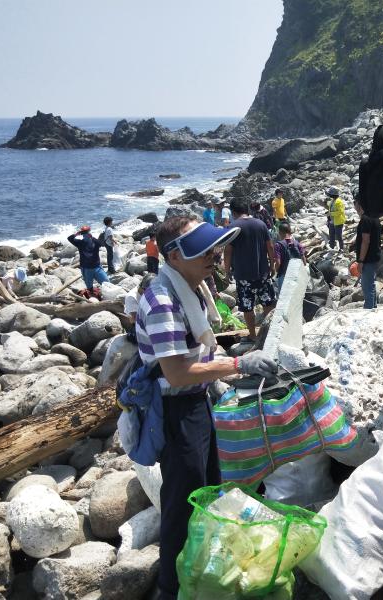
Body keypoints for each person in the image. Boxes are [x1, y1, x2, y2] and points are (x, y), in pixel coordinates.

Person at [136, 215, 277, 599]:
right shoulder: (164, 299)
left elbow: (195, 358)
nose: (215, 255)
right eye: (204, 249)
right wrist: (237, 364)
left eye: (215, 247)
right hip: (175, 411)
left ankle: (201, 569)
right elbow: (178, 372)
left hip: (196, 403)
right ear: (175, 256)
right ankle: (171, 587)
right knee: (182, 501)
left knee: (209, 488)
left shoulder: (192, 288)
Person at [223, 199, 278, 341]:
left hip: (243, 275)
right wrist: (272, 264)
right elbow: (270, 246)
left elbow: (228, 251)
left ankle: (253, 335)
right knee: (268, 303)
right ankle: (270, 333)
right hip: (262, 272)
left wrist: (227, 270)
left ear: (233, 212)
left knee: (247, 307)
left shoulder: (232, 227)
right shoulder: (260, 224)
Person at [352, 198, 382, 309]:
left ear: (359, 204)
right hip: (375, 255)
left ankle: (369, 310)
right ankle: (374, 307)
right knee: (371, 283)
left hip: (368, 258)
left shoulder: (365, 219)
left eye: (354, 203)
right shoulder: (375, 217)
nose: (354, 206)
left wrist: (360, 261)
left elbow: (366, 240)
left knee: (366, 285)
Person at [68, 225, 108, 294]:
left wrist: (77, 233)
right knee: (107, 283)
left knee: (89, 287)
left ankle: (92, 295)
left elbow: (69, 238)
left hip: (86, 267)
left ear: (81, 233)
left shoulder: (80, 242)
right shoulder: (93, 240)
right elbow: (102, 244)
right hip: (96, 266)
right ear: (89, 231)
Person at [122, 272, 155, 343]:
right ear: (143, 288)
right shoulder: (132, 297)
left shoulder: (148, 293)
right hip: (137, 324)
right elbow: (134, 319)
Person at [274, 222, 306, 290]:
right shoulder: (297, 243)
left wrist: (276, 270)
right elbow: (304, 261)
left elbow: (278, 263)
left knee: (283, 297)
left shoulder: (278, 245)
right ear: (290, 232)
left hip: (284, 275)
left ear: (280, 232)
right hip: (296, 275)